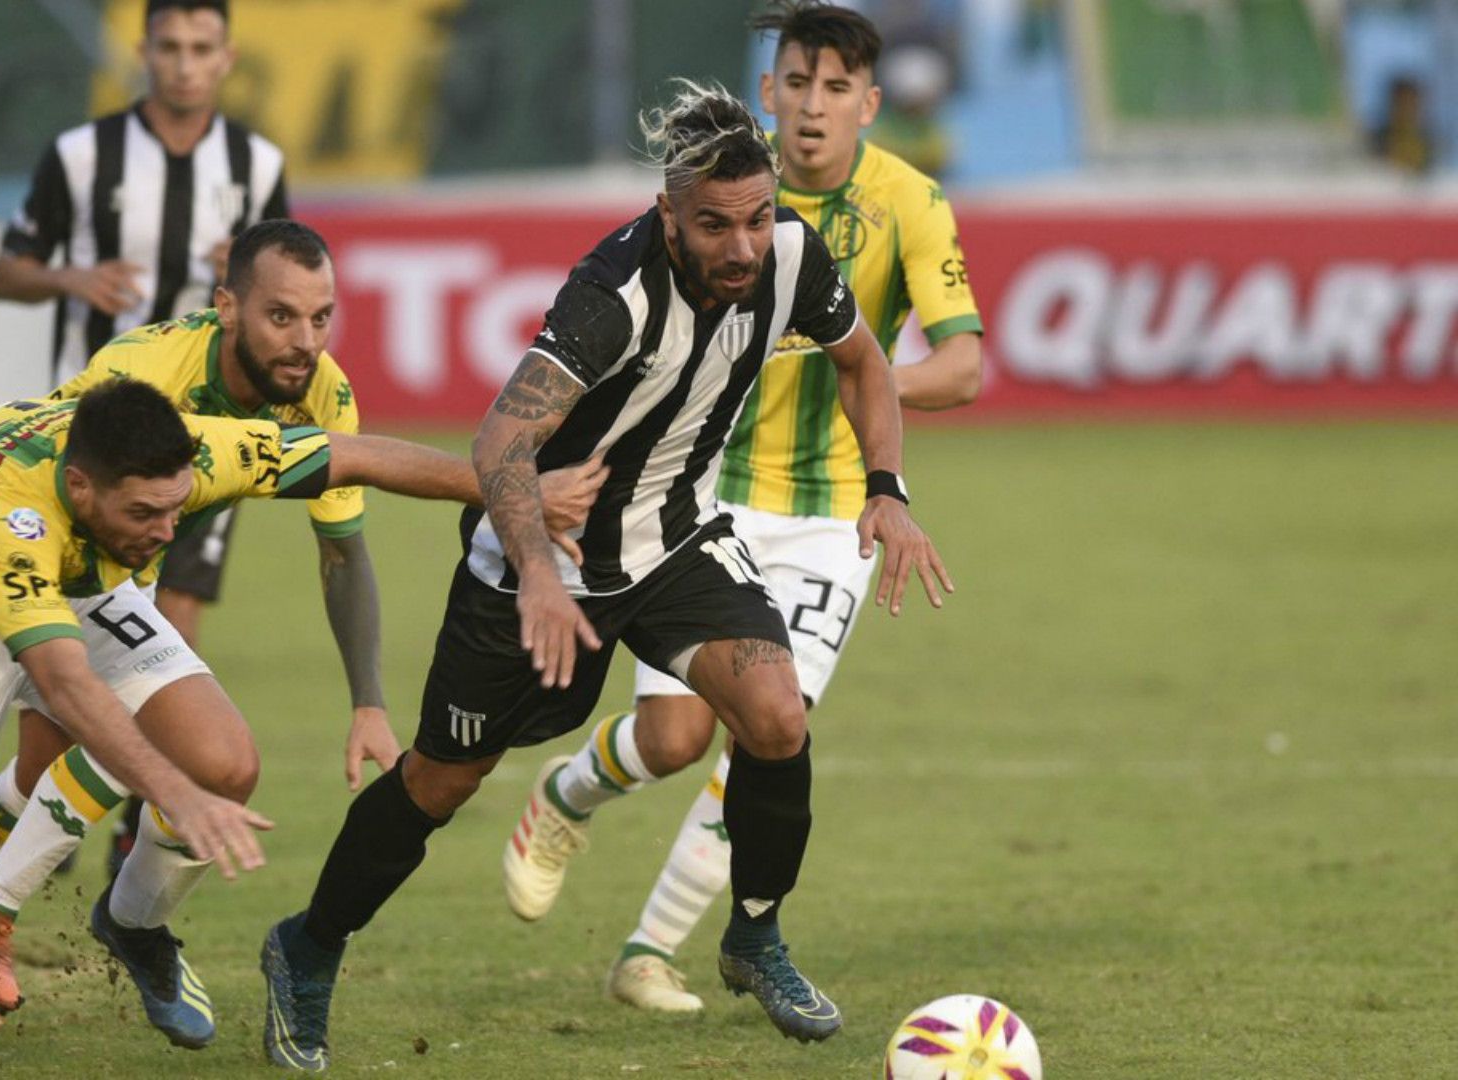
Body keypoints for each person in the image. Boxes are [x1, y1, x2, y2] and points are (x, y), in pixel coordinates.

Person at [256, 80, 953, 1071]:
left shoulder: (792, 253)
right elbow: (499, 442)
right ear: (669, 215)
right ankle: (306, 946)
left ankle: (753, 935)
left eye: (756, 218)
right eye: (715, 225)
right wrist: (538, 570)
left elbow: (866, 364)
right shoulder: (613, 295)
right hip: (537, 564)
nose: (743, 247)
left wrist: (886, 485)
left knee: (776, 714)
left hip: (671, 539)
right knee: (441, 782)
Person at [0, 221, 602, 1038]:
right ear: (226, 308)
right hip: (36, 569)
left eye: (322, 318)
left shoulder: (322, 388)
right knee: (112, 747)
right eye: (282, 317)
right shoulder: (137, 376)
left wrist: (367, 702)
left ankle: (128, 926)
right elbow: (61, 489)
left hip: (123, 582)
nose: (306, 341)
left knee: (217, 766)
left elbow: (344, 548)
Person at [0, 378, 597, 1066]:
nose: (167, 534)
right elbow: (63, 683)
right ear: (81, 485)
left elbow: (356, 456)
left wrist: (513, 495)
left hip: (74, 574)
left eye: (176, 509)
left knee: (222, 762)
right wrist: (173, 792)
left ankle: (131, 926)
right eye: (145, 513)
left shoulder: (193, 451)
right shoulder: (7, 517)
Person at [500, 1, 984, 1016]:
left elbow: (965, 361)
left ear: (869, 103)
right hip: (700, 499)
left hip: (830, 517)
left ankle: (652, 948)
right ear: (768, 93)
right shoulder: (721, 191)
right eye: (797, 83)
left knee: (773, 725)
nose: (813, 108)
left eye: (836, 89)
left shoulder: (910, 201)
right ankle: (564, 795)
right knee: (674, 741)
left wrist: (859, 370)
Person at [0, 0, 286, 654]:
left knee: (175, 619)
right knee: (82, 613)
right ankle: (66, 756)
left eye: (201, 49)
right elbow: (6, 272)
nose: (185, 66)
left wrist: (246, 272)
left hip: (209, 422)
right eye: (170, 47)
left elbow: (284, 288)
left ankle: (150, 754)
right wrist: (71, 278)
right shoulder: (81, 156)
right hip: (93, 423)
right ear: (143, 53)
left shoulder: (257, 164)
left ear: (226, 58)